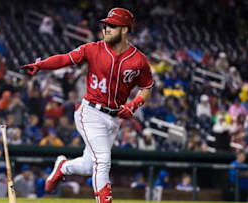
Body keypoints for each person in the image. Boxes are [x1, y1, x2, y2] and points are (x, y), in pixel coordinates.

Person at [21, 8, 153, 202]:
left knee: (88, 165)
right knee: (103, 161)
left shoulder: (138, 60)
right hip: (91, 112)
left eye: (112, 25)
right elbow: (65, 58)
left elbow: (147, 87)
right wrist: (41, 65)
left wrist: (134, 105)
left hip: (115, 118)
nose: (106, 28)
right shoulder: (93, 49)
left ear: (125, 29)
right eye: (106, 25)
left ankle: (63, 167)